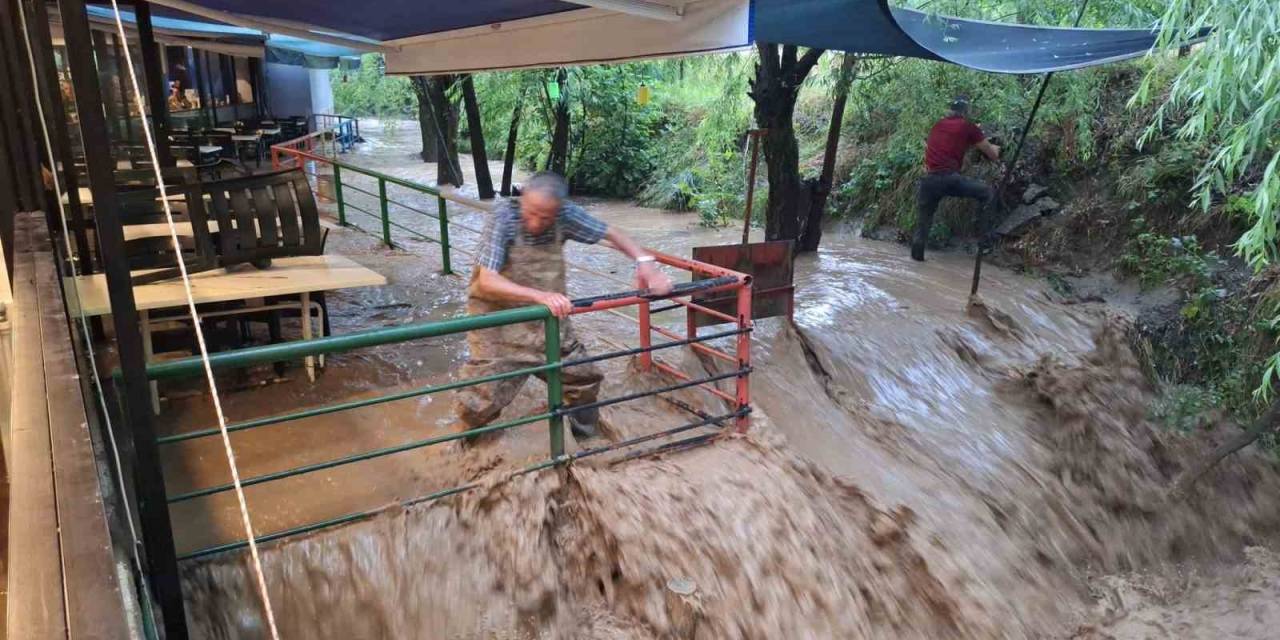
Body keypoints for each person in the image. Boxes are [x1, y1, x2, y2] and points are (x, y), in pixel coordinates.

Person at [453, 171, 673, 441]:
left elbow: (611, 232)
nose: (535, 222)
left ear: (557, 212)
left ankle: (585, 443)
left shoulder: (565, 215)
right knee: (480, 400)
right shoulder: (504, 216)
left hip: (548, 323)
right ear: (522, 198)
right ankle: (467, 449)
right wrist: (540, 296)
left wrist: (645, 262)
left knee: (585, 379)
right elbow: (487, 281)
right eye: (530, 212)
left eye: (544, 218)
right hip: (498, 325)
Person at [913, 95, 1002, 261]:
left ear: (950, 110)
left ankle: (916, 258)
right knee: (987, 193)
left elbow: (945, 144)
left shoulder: (937, 125)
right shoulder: (968, 127)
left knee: (923, 223)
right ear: (966, 111)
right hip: (949, 179)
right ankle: (985, 240)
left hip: (929, 181)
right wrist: (996, 148)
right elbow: (992, 154)